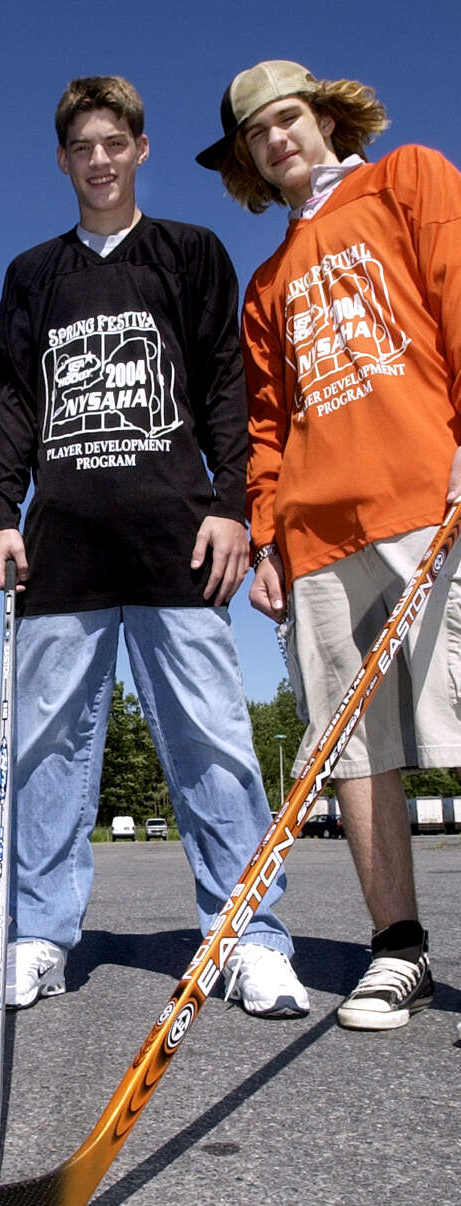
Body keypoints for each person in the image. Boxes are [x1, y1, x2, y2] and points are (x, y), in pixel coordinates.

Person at [0, 75, 308, 1016]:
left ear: (140, 149)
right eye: (81, 146)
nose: (98, 160)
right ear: (62, 160)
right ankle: (37, 935)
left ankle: (247, 933)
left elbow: (221, 385)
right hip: (62, 550)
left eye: (113, 143)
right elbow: (12, 401)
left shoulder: (189, 254)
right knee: (45, 751)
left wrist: (236, 508)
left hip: (179, 540)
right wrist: (4, 512)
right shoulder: (31, 275)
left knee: (214, 741)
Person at [197, 60, 461, 1033]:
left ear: (327, 118)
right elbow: (266, 424)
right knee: (355, 752)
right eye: (255, 134)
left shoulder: (411, 181)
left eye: (289, 118)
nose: (276, 139)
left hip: (426, 498)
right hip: (316, 537)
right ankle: (401, 950)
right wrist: (267, 537)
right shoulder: (264, 286)